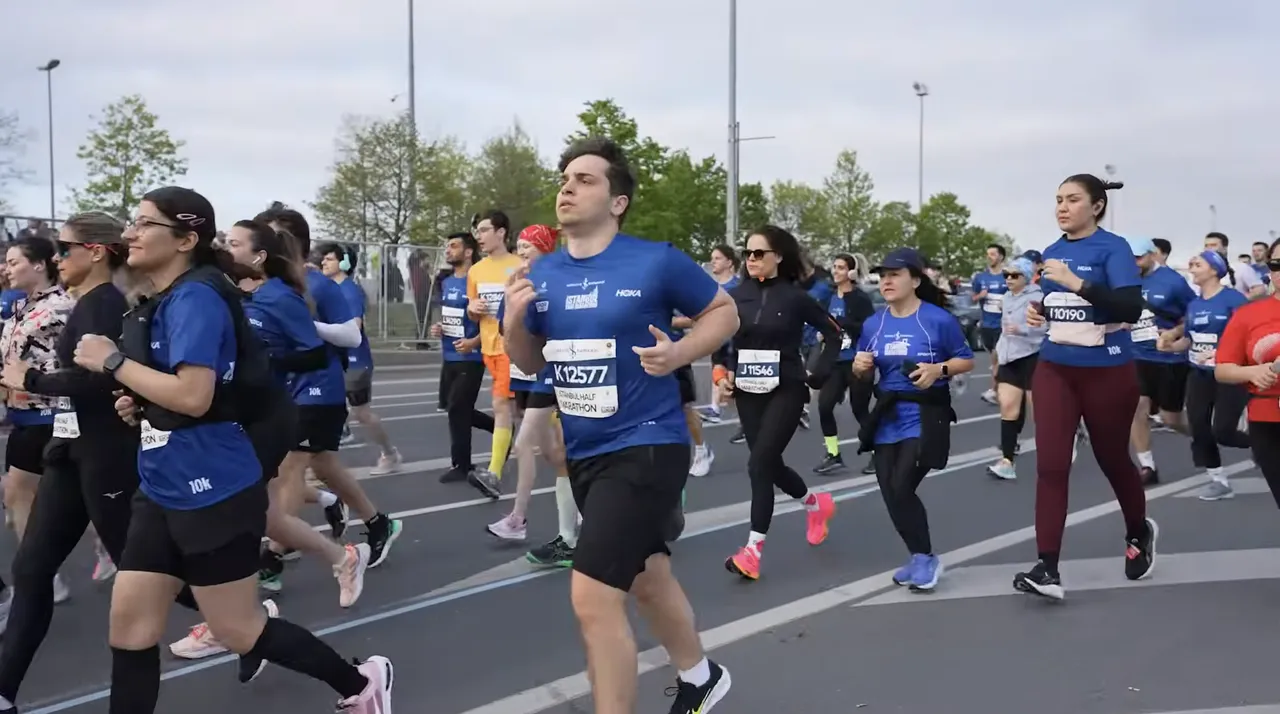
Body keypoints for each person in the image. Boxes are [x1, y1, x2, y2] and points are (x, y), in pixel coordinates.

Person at [72, 186, 391, 713]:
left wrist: (111, 363)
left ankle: (361, 684)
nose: (129, 233)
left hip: (213, 489)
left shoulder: (198, 296)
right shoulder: (160, 300)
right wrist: (141, 405)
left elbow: (195, 396)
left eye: (143, 223)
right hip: (161, 487)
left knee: (239, 629)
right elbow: (179, 392)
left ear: (185, 239)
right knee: (129, 629)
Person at [502, 137, 738, 714]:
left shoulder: (654, 259)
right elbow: (533, 364)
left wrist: (681, 355)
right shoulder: (544, 273)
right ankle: (700, 676)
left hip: (649, 444)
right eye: (564, 177)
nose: (567, 186)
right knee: (647, 575)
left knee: (592, 596)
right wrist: (512, 322)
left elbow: (724, 312)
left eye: (585, 179)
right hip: (587, 450)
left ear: (617, 201)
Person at [0, 213, 140, 711]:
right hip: (69, 451)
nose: (58, 258)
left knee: (147, 570)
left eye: (65, 249)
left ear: (96, 252)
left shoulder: (103, 306)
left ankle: (240, 620)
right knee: (32, 570)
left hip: (104, 457)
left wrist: (30, 380)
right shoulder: (83, 304)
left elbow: (102, 383)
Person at [1016, 174, 1156, 601]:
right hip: (1056, 368)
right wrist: (1041, 312)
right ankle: (1047, 568)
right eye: (1058, 199)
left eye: (1072, 199)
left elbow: (1131, 307)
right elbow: (1061, 307)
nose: (1061, 207)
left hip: (1108, 371)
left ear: (1096, 206)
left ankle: (1138, 531)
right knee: (1051, 465)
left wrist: (1079, 284)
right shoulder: (1054, 252)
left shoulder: (1112, 248)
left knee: (1112, 458)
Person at [713, 226, 840, 581]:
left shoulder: (796, 297)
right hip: (749, 392)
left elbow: (834, 334)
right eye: (748, 254)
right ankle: (816, 505)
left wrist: (817, 374)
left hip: (787, 388)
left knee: (759, 464)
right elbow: (720, 342)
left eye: (759, 253)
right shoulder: (734, 295)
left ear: (778, 257)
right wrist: (721, 376)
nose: (751, 260)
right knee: (766, 464)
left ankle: (752, 551)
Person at [853, 248, 974, 592]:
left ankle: (926, 560)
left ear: (916, 280)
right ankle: (919, 555)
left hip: (924, 412)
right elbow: (863, 373)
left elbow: (965, 360)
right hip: (887, 414)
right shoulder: (874, 324)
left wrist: (939, 369)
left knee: (903, 485)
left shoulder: (937, 319)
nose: (887, 281)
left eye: (895, 274)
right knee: (890, 492)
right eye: (883, 275)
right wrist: (859, 369)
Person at [487, 224, 575, 546]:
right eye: (520, 245)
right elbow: (504, 326)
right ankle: (571, 521)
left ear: (546, 247)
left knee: (526, 443)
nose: (522, 251)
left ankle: (518, 518)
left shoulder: (561, 279)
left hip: (561, 369)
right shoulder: (517, 282)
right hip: (535, 371)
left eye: (529, 245)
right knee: (555, 454)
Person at [0, 237, 76, 608]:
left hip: (53, 414)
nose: (7, 268)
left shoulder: (62, 307)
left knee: (20, 493)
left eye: (14, 262)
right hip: (23, 415)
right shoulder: (21, 308)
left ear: (39, 265)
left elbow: (74, 363)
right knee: (23, 497)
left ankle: (42, 577)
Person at [1156, 250, 1249, 500]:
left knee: (1224, 431)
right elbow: (1189, 339)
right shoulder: (1195, 305)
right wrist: (1170, 346)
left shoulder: (1234, 300)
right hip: (1199, 374)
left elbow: (1248, 336)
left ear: (1214, 270)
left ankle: (1263, 444)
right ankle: (1217, 479)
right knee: (1198, 425)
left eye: (1197, 264)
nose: (1191, 267)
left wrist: (1224, 355)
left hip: (1229, 373)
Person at [316, 242, 402, 473]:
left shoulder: (349, 290)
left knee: (361, 413)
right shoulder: (327, 289)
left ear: (344, 263)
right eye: (323, 258)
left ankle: (389, 453)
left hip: (354, 360)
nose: (323, 262)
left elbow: (354, 327)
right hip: (331, 360)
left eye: (330, 259)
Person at [1213, 238, 1280, 509]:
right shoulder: (1248, 315)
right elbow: (1223, 370)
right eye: (1276, 264)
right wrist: (1254, 371)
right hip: (1267, 421)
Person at [1128, 235, 1197, 485]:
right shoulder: (1125, 279)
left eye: (1138, 257)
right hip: (1136, 354)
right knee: (1136, 407)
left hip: (1169, 359)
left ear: (1152, 255)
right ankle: (1147, 466)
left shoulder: (1173, 281)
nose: (1133, 262)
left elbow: (1194, 315)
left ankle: (1201, 436)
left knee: (1171, 418)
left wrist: (1174, 334)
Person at [466, 210, 523, 498]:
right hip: (489, 347)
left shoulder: (520, 265)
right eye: (477, 230)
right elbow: (473, 311)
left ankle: (494, 473)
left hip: (512, 347)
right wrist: (472, 310)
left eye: (485, 229)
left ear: (501, 233)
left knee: (502, 405)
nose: (479, 235)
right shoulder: (476, 270)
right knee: (525, 409)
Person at [431, 232, 496, 484]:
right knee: (454, 407)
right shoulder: (446, 282)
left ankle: (462, 465)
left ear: (468, 252)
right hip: (449, 353)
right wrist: (439, 328)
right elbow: (450, 317)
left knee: (458, 408)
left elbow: (492, 320)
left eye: (454, 246)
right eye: (447, 246)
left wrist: (473, 342)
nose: (448, 250)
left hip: (472, 355)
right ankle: (500, 429)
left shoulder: (478, 279)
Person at [813, 253, 876, 476]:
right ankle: (833, 454)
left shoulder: (860, 299)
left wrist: (844, 325)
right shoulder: (829, 298)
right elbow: (822, 322)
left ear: (851, 272)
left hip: (857, 361)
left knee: (860, 410)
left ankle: (877, 454)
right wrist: (824, 333)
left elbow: (870, 328)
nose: (835, 271)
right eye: (834, 267)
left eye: (840, 268)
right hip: (835, 362)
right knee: (824, 406)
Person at [986, 257, 1045, 480]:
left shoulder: (1038, 297)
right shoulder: (1006, 298)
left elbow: (1045, 328)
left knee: (1038, 413)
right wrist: (999, 356)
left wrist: (1021, 329)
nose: (1008, 279)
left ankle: (1057, 450)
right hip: (1010, 359)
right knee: (1008, 406)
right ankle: (1007, 461)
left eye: (1014, 275)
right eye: (1006, 275)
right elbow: (1004, 331)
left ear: (1026, 277)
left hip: (1032, 357)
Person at [695, 244, 741, 426]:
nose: (713, 262)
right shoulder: (710, 286)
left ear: (729, 262)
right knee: (717, 371)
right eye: (712, 258)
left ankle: (750, 416)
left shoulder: (737, 287)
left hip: (735, 341)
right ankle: (714, 408)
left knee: (732, 384)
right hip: (717, 339)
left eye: (717, 258)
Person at [971, 244, 1009, 406]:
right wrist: (981, 295)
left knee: (997, 359)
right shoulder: (980, 277)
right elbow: (972, 298)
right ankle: (1002, 389)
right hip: (986, 324)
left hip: (1003, 325)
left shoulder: (1008, 276)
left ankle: (994, 391)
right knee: (994, 361)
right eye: (988, 254)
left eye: (993, 254)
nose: (989, 257)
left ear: (1001, 257)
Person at [1205, 232, 1265, 299]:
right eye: (1206, 246)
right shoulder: (1199, 273)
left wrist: (1238, 301)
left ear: (1225, 248)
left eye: (1213, 245)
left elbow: (1260, 290)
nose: (1209, 249)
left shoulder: (1241, 268)